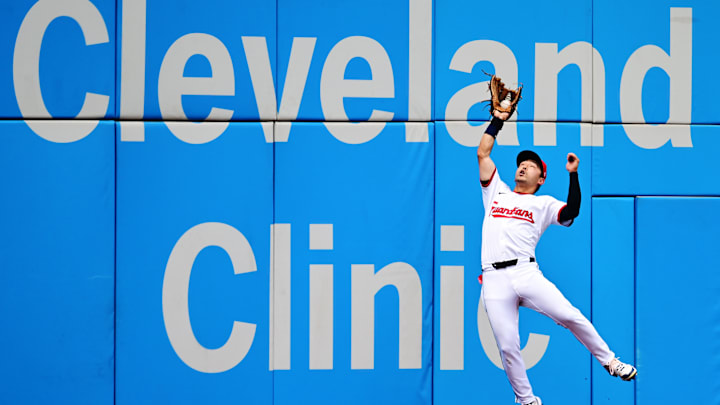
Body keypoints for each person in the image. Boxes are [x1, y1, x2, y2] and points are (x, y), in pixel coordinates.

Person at [476, 110, 637, 405]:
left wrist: (573, 175)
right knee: (508, 346)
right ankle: (526, 401)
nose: (524, 167)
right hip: (494, 278)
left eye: (531, 165)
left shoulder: (544, 203)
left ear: (542, 177)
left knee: (569, 314)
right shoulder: (496, 192)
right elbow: (482, 152)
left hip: (525, 273)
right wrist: (498, 119)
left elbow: (572, 211)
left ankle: (611, 362)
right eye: (521, 164)